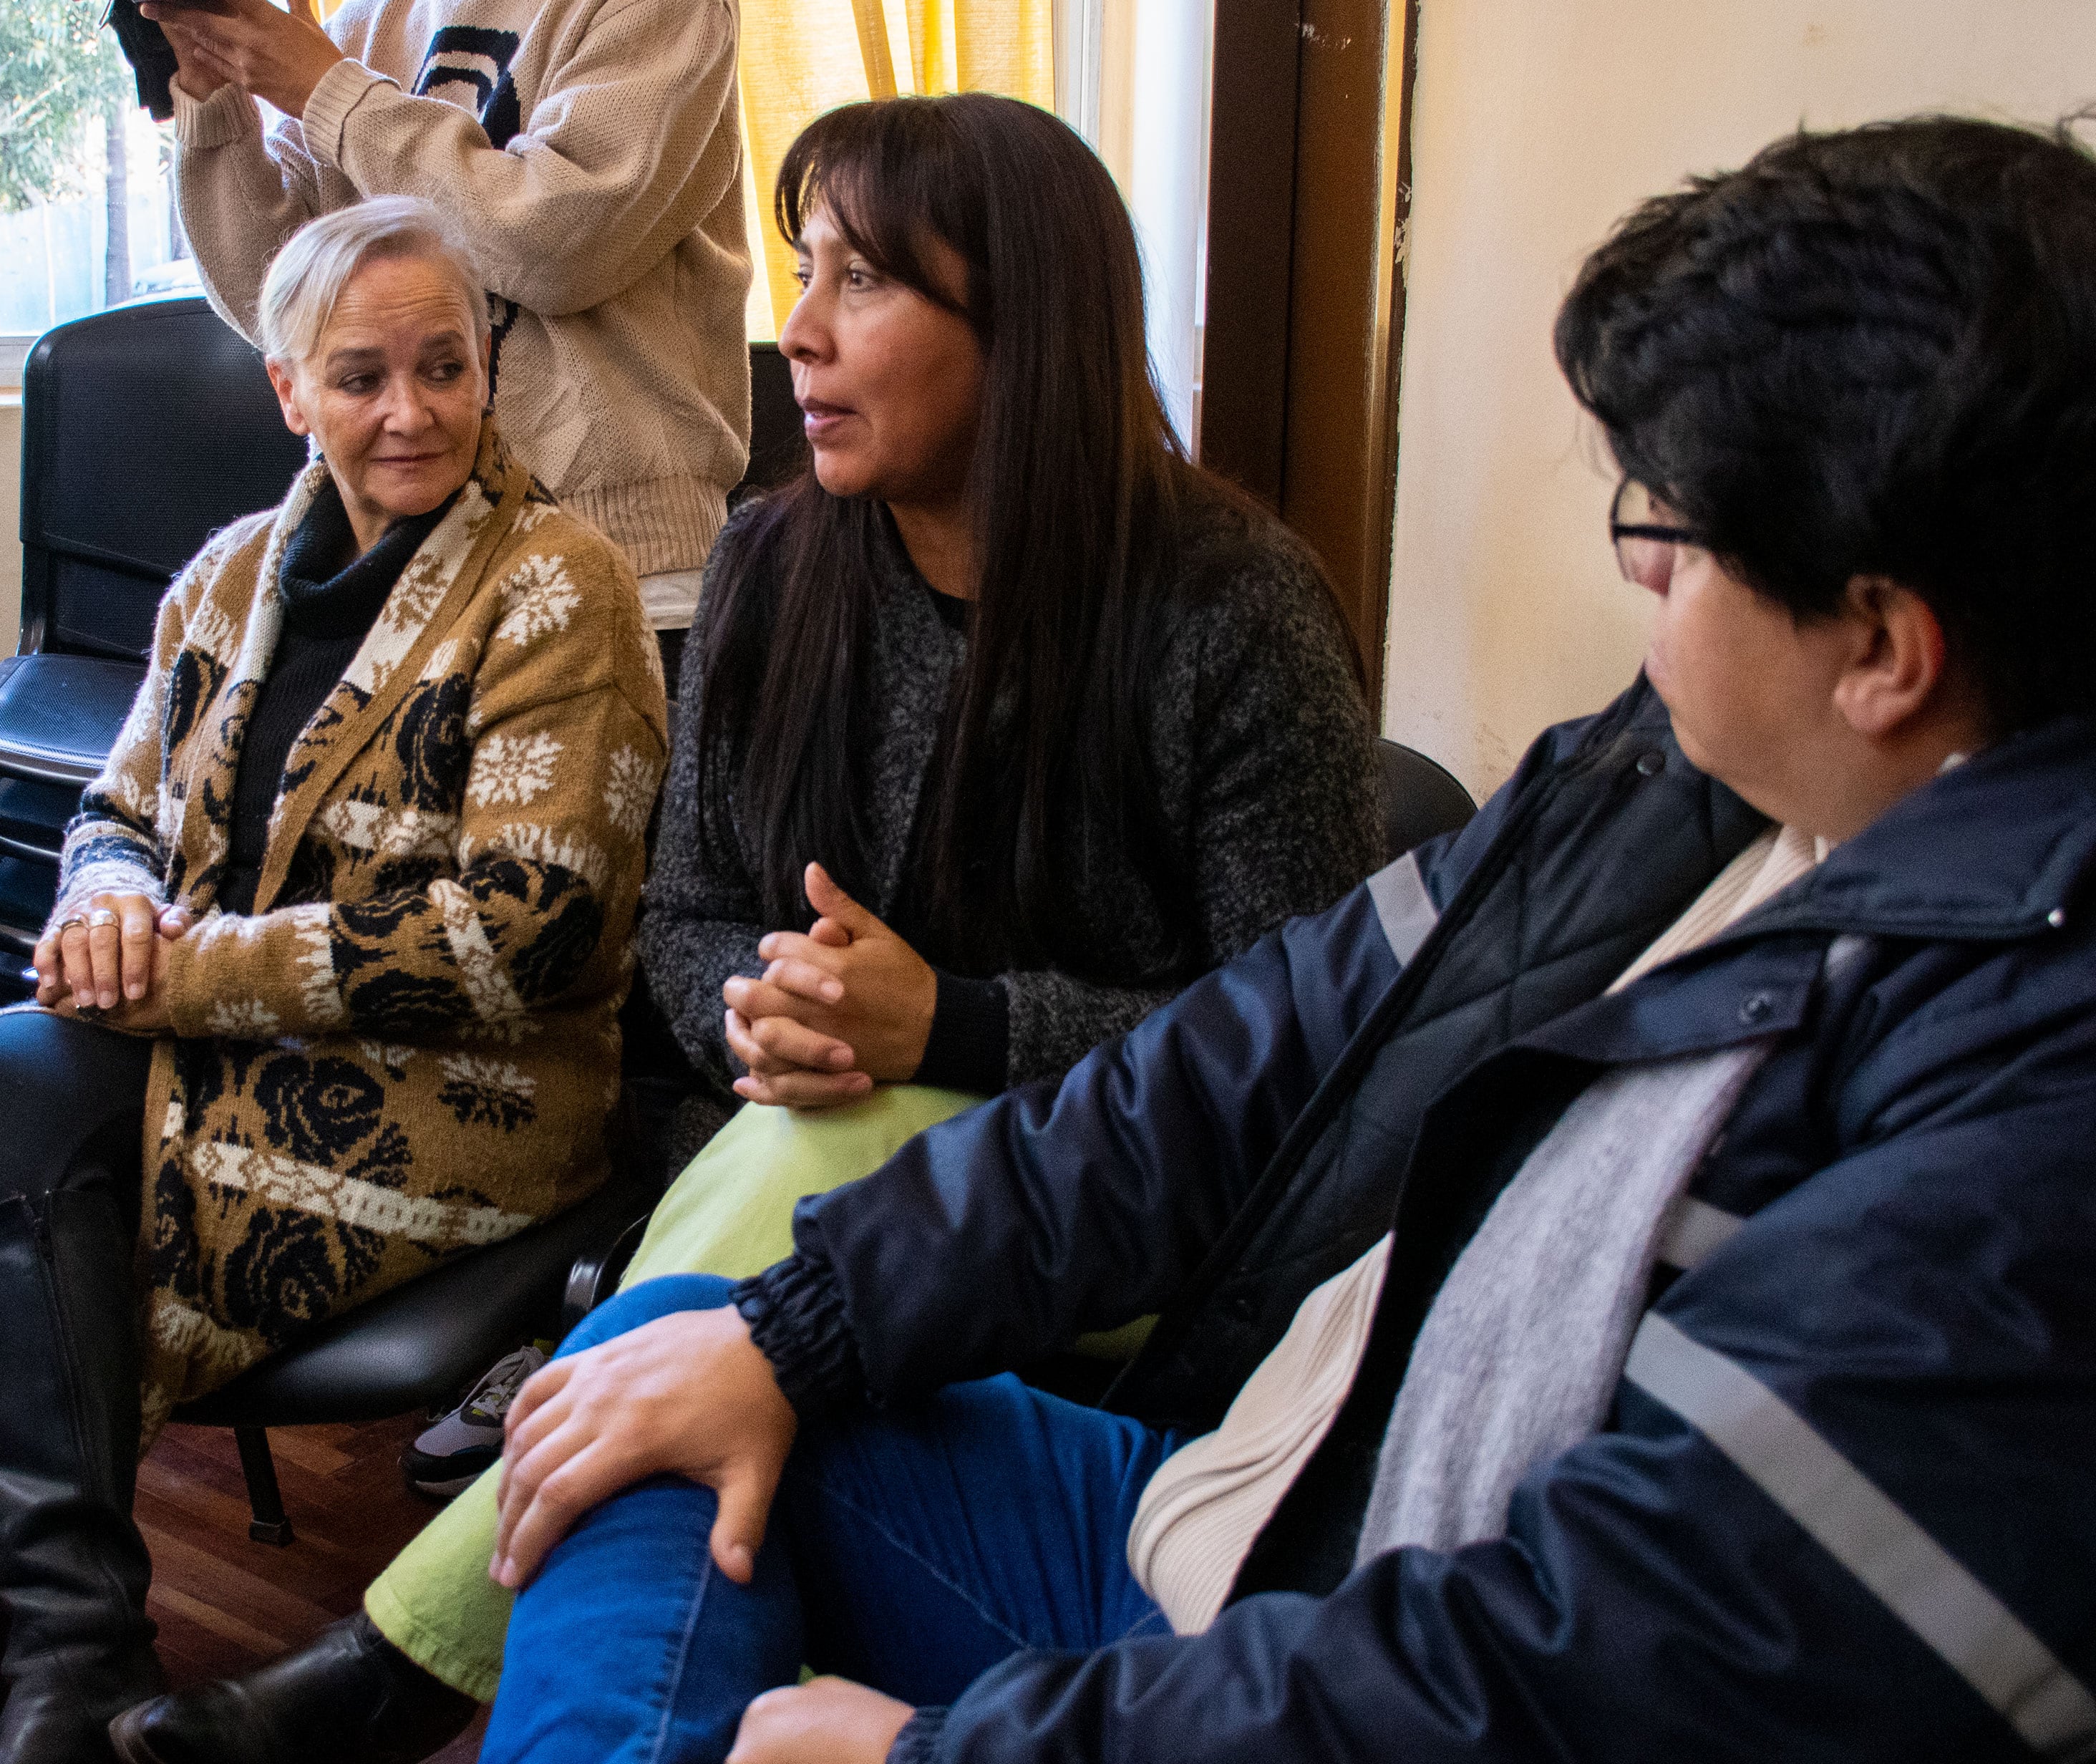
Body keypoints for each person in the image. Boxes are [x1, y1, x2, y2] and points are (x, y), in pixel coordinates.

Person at [477, 112, 2096, 1764]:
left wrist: (937, 1755)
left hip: (1358, 1624)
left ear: (1884, 648)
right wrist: (793, 1330)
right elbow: (1239, 1057)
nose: (1640, 584)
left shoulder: (2030, 1102)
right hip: (1269, 1500)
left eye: (1660, 533)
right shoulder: (1662, 774)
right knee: (666, 1356)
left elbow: (1610, 1664)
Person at [108, 94, 1381, 1764]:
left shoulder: (1234, 613)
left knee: (782, 1199)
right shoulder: (775, 565)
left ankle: (406, 1663)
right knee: (788, 1194)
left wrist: (962, 1031)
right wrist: (777, 1007)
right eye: (804, 269)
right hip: (796, 1157)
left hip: (1114, 1226)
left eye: (862, 282)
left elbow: (1311, 1068)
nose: (797, 331)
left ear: (1027, 323)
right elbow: (682, 923)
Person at [0, 195, 666, 1764]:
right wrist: (106, 895)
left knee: (15, 1184)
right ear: (288, 391)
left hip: (461, 1093)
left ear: (484, 367)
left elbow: (528, 931)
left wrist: (184, 975)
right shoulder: (231, 573)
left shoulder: (558, 585)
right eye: (363, 374)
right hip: (212, 1041)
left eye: (443, 366)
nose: (410, 411)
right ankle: (77, 1660)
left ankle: (48, 1678)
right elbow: (115, 805)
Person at [137, 0, 748, 641]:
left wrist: (328, 92)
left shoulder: (664, 10)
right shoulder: (358, 25)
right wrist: (211, 86)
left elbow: (558, 247)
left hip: (622, 564)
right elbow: (283, 302)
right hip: (390, 565)